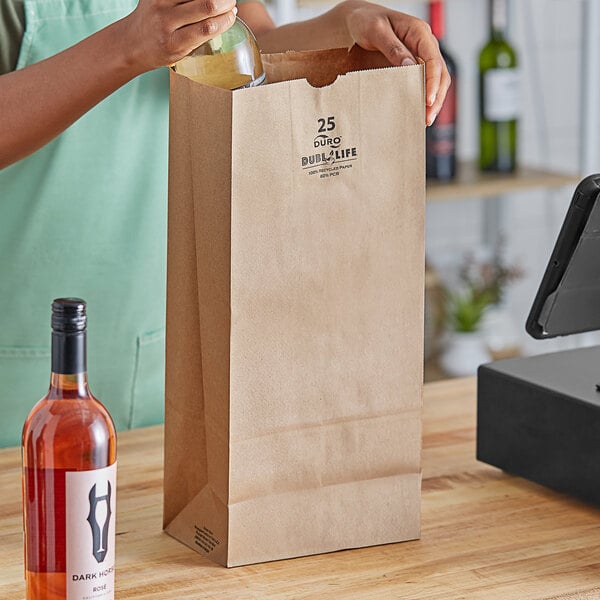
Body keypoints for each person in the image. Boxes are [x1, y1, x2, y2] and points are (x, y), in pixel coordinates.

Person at [0, 0, 449, 447]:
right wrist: (129, 46)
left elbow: (242, 47)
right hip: (24, 368)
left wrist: (346, 24)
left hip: (169, 349)